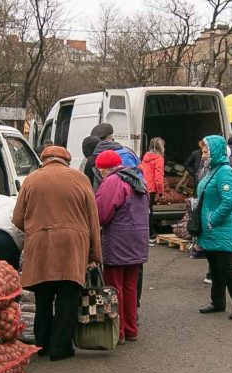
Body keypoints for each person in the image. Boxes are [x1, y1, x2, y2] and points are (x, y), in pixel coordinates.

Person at [13, 145, 102, 360]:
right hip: (72, 246)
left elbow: (17, 218)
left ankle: (42, 344)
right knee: (68, 297)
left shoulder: (32, 179)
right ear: (67, 161)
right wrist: (94, 255)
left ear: (44, 160)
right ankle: (61, 348)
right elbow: (93, 220)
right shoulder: (80, 179)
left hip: (41, 247)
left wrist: (37, 231)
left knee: (43, 298)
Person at [93, 150, 149, 342]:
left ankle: (119, 333)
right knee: (130, 287)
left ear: (104, 169)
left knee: (114, 287)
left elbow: (101, 214)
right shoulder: (137, 179)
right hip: (137, 242)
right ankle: (131, 329)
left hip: (118, 243)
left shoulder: (112, 182)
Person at [196, 136, 232, 319]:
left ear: (216, 152)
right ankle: (217, 302)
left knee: (226, 267)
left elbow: (229, 202)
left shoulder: (224, 171)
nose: (203, 156)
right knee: (215, 267)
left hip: (220, 227)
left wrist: (212, 219)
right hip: (210, 228)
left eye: (206, 152)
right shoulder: (212, 170)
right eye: (203, 152)